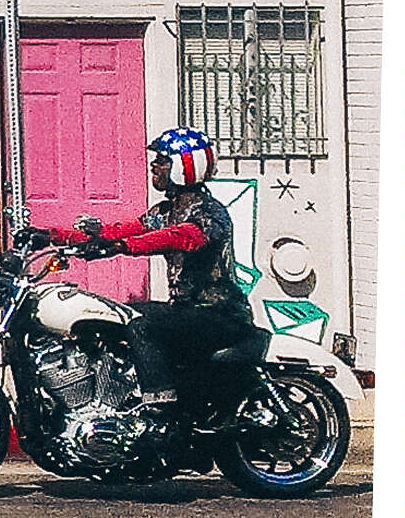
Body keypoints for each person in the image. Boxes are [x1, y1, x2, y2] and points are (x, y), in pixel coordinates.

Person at [31, 128, 260, 418]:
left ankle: (160, 411)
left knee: (141, 326)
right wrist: (52, 235)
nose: (154, 166)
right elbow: (117, 231)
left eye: (162, 160)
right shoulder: (163, 211)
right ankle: (115, 403)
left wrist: (122, 247)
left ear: (185, 166)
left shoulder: (210, 213)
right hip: (185, 311)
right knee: (114, 317)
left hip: (220, 315)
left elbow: (182, 237)